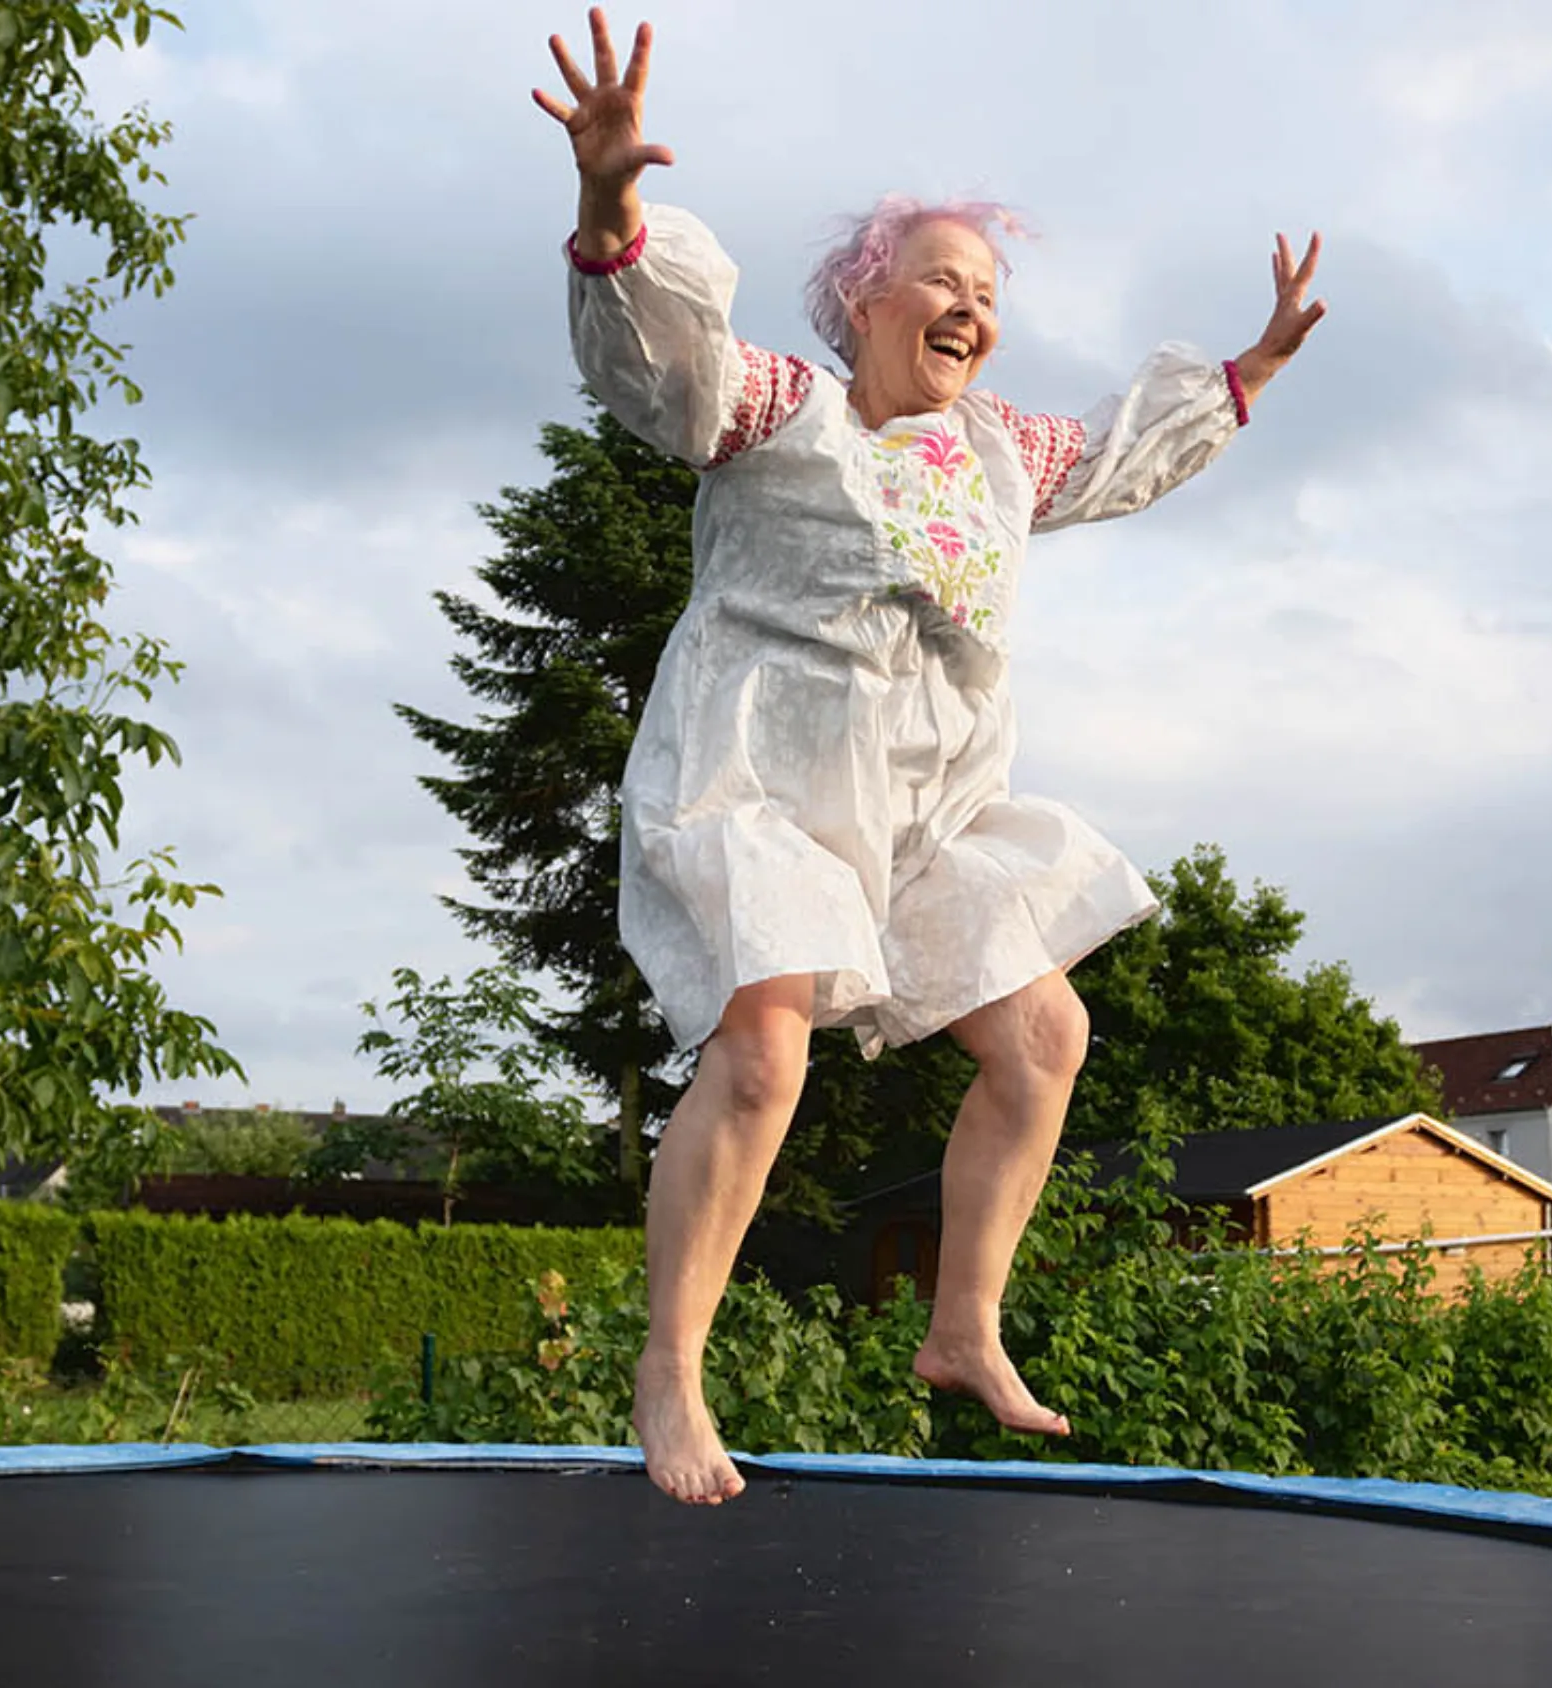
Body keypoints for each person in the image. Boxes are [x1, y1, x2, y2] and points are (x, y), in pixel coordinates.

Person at [534, 8, 1328, 1505]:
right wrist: (610, 203)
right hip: (759, 778)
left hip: (920, 815)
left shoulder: (1004, 456)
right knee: (763, 1053)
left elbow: (1120, 452)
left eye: (989, 292)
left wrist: (1255, 368)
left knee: (1046, 1040)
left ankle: (964, 1327)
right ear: (865, 301)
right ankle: (671, 1372)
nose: (972, 309)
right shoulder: (778, 410)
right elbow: (652, 361)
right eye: (942, 283)